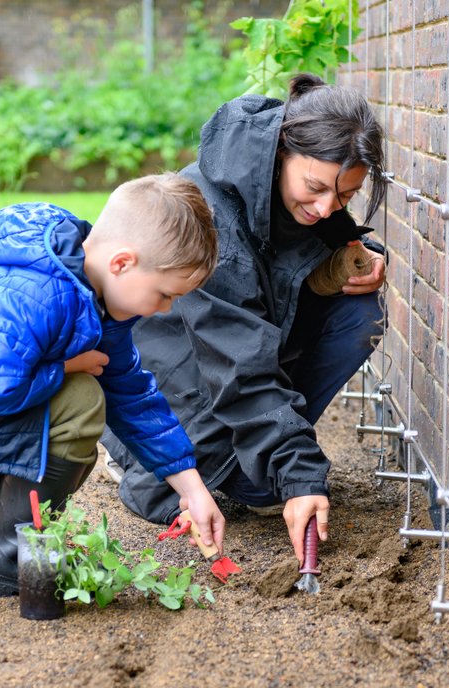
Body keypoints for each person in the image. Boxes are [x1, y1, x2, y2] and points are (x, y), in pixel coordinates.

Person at [0, 173, 226, 595]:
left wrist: (192, 488)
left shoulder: (96, 299)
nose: (165, 310)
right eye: (164, 294)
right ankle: (11, 561)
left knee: (78, 431)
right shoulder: (32, 290)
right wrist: (67, 367)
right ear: (122, 263)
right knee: (81, 404)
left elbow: (133, 396)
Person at [103, 73, 388, 565]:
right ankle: (134, 450)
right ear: (280, 152)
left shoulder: (295, 198)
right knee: (173, 492)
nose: (325, 208)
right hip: (181, 376)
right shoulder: (215, 224)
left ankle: (262, 461)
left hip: (236, 362)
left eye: (343, 197)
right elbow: (241, 364)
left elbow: (297, 261)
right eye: (315, 188)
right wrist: (300, 474)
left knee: (359, 311)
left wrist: (359, 255)